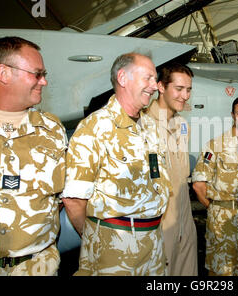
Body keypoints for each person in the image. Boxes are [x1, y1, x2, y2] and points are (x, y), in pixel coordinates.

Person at [61, 52, 172, 276]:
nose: (155, 86)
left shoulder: (149, 126)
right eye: (148, 78)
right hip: (114, 248)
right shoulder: (95, 127)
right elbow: (73, 199)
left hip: (153, 245)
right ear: (123, 78)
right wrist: (97, 237)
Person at [0, 36, 67, 275]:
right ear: (4, 73)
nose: (44, 81)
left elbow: (60, 200)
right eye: (37, 74)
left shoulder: (52, 129)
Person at [192, 96, 238, 276]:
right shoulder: (216, 145)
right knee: (221, 272)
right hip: (222, 221)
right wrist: (215, 209)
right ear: (232, 115)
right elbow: (199, 185)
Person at [143, 63, 198, 275]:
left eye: (188, 89)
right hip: (159, 224)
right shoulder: (143, 124)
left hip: (184, 220)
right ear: (161, 87)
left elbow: (181, 176)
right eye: (179, 88)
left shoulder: (183, 125)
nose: (185, 95)